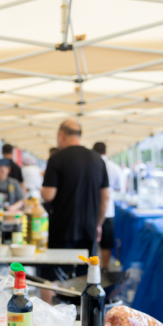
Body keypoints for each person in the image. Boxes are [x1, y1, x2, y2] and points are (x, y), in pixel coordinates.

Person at [40, 120, 109, 303]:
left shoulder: (56, 158)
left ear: (61, 135)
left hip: (61, 229)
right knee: (85, 278)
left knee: (50, 278)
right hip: (88, 229)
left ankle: (48, 319)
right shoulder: (98, 160)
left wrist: (40, 188)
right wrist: (98, 224)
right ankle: (81, 318)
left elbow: (48, 194)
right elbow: (106, 198)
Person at [92, 142, 122, 269]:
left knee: (90, 242)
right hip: (108, 210)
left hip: (92, 210)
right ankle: (104, 268)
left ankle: (90, 268)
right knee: (106, 243)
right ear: (106, 152)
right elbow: (119, 188)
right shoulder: (114, 167)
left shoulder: (91, 165)